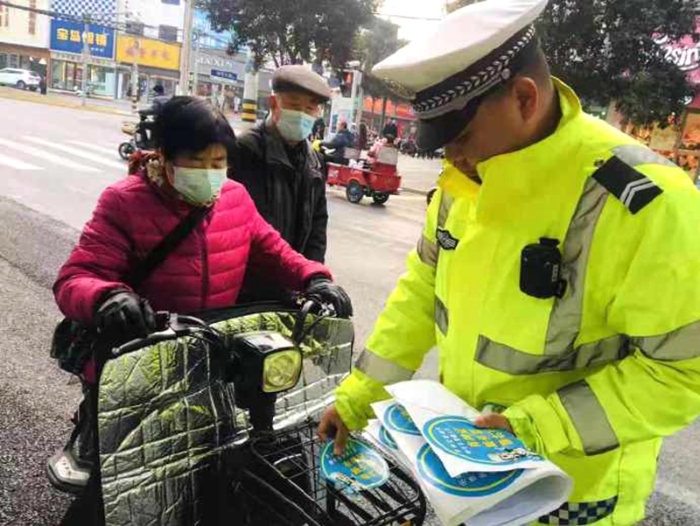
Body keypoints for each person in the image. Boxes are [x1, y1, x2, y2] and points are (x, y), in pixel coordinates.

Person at [318, 0, 700, 524]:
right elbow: (420, 293)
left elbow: (682, 371)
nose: (451, 158)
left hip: (575, 500)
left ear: (524, 98)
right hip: (466, 478)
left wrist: (533, 428)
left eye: (462, 136)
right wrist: (360, 395)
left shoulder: (642, 203)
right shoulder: (465, 183)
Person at [53, 97, 353, 487]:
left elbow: (275, 251)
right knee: (119, 480)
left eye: (218, 163)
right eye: (198, 163)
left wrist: (315, 278)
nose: (211, 174)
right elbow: (76, 277)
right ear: (163, 155)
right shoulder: (124, 202)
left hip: (208, 357)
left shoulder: (234, 197)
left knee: (214, 461)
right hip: (141, 357)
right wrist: (108, 297)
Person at [232, 65, 331, 270]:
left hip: (296, 279)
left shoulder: (315, 161)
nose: (302, 115)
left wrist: (312, 272)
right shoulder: (246, 149)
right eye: (294, 105)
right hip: (251, 281)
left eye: (310, 109)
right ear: (273, 103)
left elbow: (317, 225)